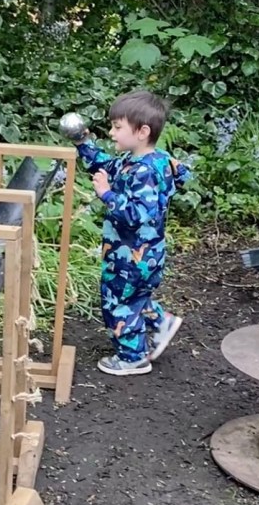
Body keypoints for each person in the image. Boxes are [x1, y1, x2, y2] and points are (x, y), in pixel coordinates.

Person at [72, 90, 190, 376]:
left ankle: (132, 358)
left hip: (131, 258)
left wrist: (107, 194)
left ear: (142, 132)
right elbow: (105, 164)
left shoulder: (143, 172)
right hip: (146, 256)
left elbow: (138, 215)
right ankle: (161, 322)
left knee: (118, 303)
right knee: (135, 297)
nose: (111, 133)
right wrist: (83, 143)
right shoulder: (147, 160)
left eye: (117, 127)